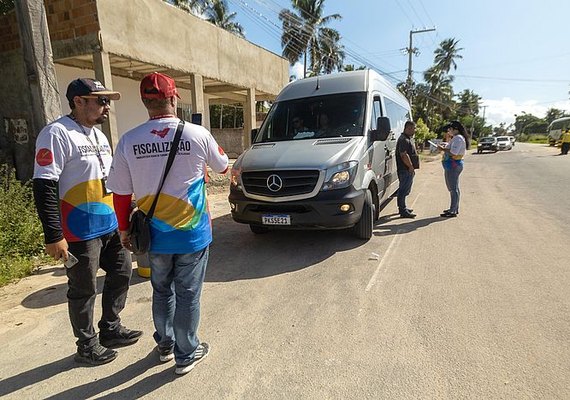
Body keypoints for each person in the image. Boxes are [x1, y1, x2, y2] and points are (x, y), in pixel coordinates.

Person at [106, 72, 229, 375]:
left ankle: (165, 344)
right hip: (192, 234)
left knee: (161, 290)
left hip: (153, 235)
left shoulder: (128, 141)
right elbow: (223, 166)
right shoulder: (197, 134)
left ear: (145, 101)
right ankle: (186, 354)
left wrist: (123, 229)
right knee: (187, 293)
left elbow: (120, 193)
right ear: (174, 99)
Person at [32, 78, 143, 366]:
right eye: (101, 101)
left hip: (109, 225)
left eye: (107, 101)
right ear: (78, 101)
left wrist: (127, 212)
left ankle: (110, 328)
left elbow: (110, 180)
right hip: (79, 231)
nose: (107, 107)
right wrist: (53, 235)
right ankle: (86, 344)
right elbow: (44, 186)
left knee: (121, 274)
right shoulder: (56, 134)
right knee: (83, 289)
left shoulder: (100, 136)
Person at [438, 120, 469, 217]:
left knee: (453, 188)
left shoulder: (458, 138)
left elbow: (453, 152)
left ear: (455, 129)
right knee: (454, 187)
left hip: (453, 165)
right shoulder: (455, 138)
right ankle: (454, 208)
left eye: (450, 129)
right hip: (453, 165)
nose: (449, 131)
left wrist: (442, 149)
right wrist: (445, 146)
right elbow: (451, 148)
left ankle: (453, 210)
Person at [396, 121, 418, 218]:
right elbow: (403, 155)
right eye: (413, 128)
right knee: (403, 190)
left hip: (406, 169)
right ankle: (402, 210)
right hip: (405, 169)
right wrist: (410, 166)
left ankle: (403, 207)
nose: (414, 130)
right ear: (408, 128)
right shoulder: (404, 140)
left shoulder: (406, 138)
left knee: (404, 190)